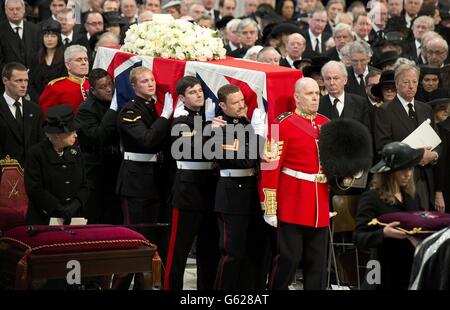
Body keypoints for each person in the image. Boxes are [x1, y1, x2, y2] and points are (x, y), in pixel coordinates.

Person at [260, 77, 330, 290]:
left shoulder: (326, 124)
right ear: (297, 97)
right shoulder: (280, 124)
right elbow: (270, 167)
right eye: (309, 94)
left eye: (317, 93)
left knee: (317, 263)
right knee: (289, 260)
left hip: (320, 202)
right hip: (293, 203)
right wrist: (269, 206)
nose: (315, 98)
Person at [164, 76, 219, 290]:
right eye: (192, 92)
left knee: (208, 248)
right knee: (179, 249)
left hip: (208, 188)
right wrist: (211, 131)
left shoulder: (203, 118)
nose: (199, 94)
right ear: (182, 98)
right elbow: (187, 148)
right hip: (187, 189)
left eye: (199, 91)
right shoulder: (181, 120)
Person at [213, 84, 269, 290]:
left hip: (251, 193)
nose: (241, 106)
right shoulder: (219, 129)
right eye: (235, 103)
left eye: (242, 101)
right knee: (232, 253)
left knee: (253, 251)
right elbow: (243, 161)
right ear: (222, 105)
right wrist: (259, 137)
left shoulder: (245, 124)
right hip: (231, 196)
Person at [354, 141, 423, 289]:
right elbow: (359, 237)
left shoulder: (412, 196)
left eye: (410, 168)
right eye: (402, 169)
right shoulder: (371, 198)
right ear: (388, 172)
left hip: (409, 266)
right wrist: (383, 233)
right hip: (381, 267)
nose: (408, 174)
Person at [375, 62, 440, 211]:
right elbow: (383, 147)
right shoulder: (385, 111)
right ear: (397, 84)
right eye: (406, 82)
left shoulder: (425, 108)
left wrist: (434, 155)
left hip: (427, 178)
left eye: (414, 82)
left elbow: (438, 143)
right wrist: (418, 156)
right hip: (401, 180)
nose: (411, 86)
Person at [24, 104, 88, 225]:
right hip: (44, 219)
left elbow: (85, 184)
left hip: (74, 218)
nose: (76, 135)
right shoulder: (36, 154)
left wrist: (75, 205)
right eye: (71, 131)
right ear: (58, 134)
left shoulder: (76, 152)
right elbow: (34, 189)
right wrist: (57, 208)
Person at [75, 68, 122, 224]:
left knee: (115, 212)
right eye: (103, 87)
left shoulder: (117, 103)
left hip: (115, 164)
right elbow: (98, 136)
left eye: (110, 84)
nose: (109, 89)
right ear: (93, 90)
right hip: (95, 167)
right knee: (97, 211)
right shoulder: (85, 109)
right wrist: (113, 109)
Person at [0, 62, 45, 166]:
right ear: (5, 81)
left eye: (26, 80)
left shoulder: (35, 110)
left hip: (31, 173)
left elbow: (41, 143)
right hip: (4, 173)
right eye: (18, 81)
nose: (24, 85)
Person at [39, 45, 90, 115]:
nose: (84, 63)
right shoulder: (55, 87)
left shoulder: (92, 83)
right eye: (79, 60)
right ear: (68, 65)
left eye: (86, 59)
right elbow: (45, 114)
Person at [29, 19, 67, 103]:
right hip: (38, 101)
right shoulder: (35, 57)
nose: (49, 39)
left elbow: (65, 83)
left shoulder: (65, 57)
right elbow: (30, 82)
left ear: (59, 38)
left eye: (53, 36)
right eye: (46, 36)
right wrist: (38, 99)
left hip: (58, 101)